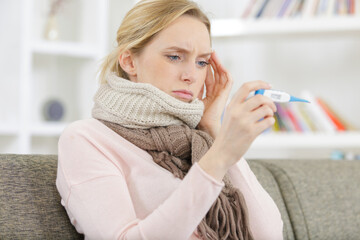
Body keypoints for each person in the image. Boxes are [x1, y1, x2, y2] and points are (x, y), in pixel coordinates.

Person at [56, 0, 283, 239]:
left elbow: (269, 234)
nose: (191, 75)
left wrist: (213, 129)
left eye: (202, 62)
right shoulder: (86, 139)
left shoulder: (199, 140)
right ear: (129, 61)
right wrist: (220, 157)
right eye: (175, 57)